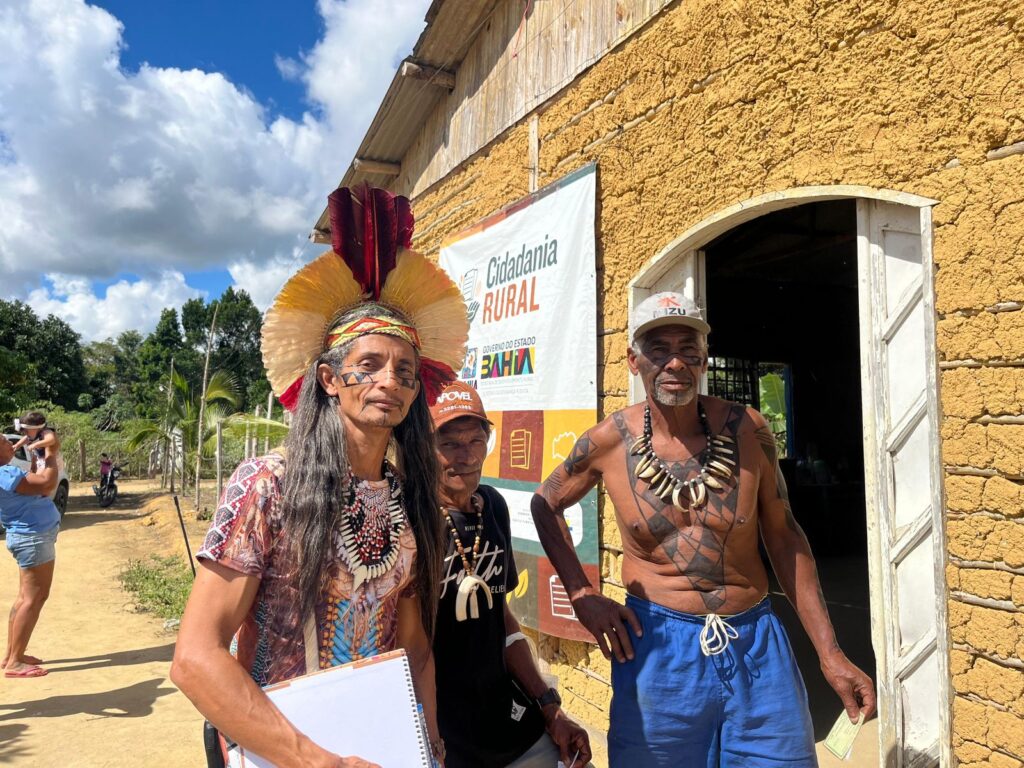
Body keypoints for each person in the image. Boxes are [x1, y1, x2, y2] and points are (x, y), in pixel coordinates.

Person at [171, 185, 469, 768]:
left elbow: (413, 648)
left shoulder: (410, 500)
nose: (389, 381)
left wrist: (428, 745)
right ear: (329, 380)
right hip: (279, 750)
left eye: (405, 371)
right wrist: (315, 760)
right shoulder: (267, 485)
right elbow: (195, 658)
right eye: (369, 365)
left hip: (382, 746)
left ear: (416, 391)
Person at [530, 292, 877, 767]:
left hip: (755, 645)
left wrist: (830, 652)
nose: (675, 362)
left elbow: (786, 538)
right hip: (658, 650)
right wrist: (582, 594)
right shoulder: (608, 441)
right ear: (633, 361)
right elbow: (545, 503)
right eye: (659, 349)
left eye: (688, 349)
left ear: (704, 360)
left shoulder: (747, 430)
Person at [429, 382, 592, 768]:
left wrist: (549, 706)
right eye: (449, 443)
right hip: (442, 732)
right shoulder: (413, 522)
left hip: (504, 717)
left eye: (476, 440)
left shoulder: (493, 507)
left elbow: (501, 620)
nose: (467, 456)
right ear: (423, 447)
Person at [0, 434, 60, 678]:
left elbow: (34, 485)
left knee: (24, 598)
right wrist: (52, 452)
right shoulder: (4, 474)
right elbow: (46, 484)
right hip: (33, 538)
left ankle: (12, 654)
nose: (9, 443)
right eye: (4, 441)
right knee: (34, 599)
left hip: (28, 537)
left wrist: (37, 458)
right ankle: (15, 662)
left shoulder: (7, 473)